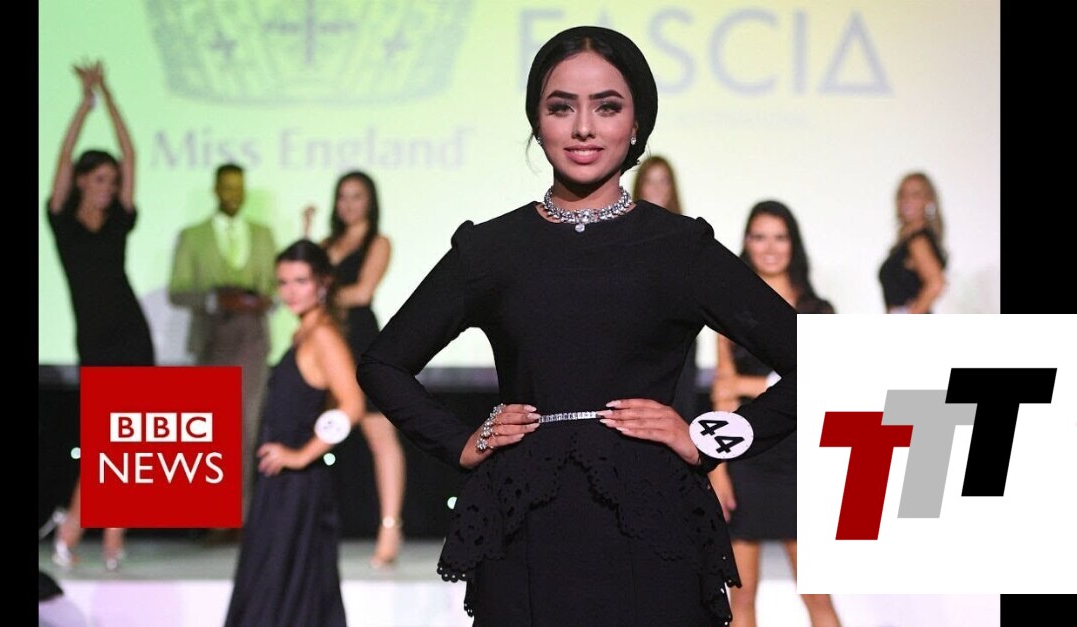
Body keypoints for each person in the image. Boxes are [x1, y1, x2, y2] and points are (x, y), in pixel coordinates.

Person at [356, 25, 797, 626]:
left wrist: (705, 440)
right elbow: (383, 363)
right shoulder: (491, 250)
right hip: (524, 527)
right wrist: (461, 441)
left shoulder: (679, 249)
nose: (583, 127)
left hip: (653, 527)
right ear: (537, 123)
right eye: (561, 107)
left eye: (607, 107)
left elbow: (818, 365)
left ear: (637, 122)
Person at [707, 200, 840, 627]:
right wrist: (718, 470)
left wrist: (750, 386)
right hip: (747, 459)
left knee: (817, 595)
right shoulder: (730, 311)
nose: (769, 247)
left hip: (803, 458)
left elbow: (827, 384)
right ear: (746, 243)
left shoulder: (819, 311)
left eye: (780, 237)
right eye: (760, 236)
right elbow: (722, 394)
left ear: (793, 244)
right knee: (742, 597)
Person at [46, 60, 155, 572]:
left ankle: (112, 538)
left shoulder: (119, 220)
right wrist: (82, 104)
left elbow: (131, 154)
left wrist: (108, 94)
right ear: (83, 180)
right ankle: (74, 525)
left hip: (132, 335)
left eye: (113, 180)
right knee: (101, 440)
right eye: (101, 178)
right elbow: (62, 157)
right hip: (95, 340)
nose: (109, 186)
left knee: (129, 437)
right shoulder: (62, 219)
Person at [224, 239, 366, 627]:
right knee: (278, 586)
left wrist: (302, 454)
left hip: (297, 486)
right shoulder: (305, 330)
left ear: (323, 283)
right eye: (283, 282)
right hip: (282, 482)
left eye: (300, 281)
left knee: (281, 587)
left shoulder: (323, 335)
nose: (290, 291)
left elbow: (352, 404)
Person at [302, 170, 406, 568]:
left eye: (357, 196)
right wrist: (306, 233)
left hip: (361, 342)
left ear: (370, 201)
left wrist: (320, 297)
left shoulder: (377, 242)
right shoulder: (327, 244)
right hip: (326, 344)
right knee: (318, 432)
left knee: (379, 435)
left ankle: (389, 528)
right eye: (343, 196)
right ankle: (304, 524)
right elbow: (303, 278)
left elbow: (362, 292)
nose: (349, 204)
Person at [168, 163, 278, 535]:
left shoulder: (262, 235)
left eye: (239, 187)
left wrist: (261, 299)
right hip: (213, 335)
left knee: (247, 426)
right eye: (227, 187)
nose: (234, 194)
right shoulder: (193, 236)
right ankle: (214, 517)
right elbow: (178, 290)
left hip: (252, 338)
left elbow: (276, 286)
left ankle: (240, 517)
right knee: (214, 427)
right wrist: (217, 299)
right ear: (215, 189)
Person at [632, 155, 698, 421]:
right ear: (639, 186)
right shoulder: (622, 236)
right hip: (636, 337)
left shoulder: (688, 236)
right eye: (650, 181)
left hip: (678, 337)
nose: (657, 189)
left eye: (664, 181)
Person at [878, 171, 948, 313]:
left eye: (915, 195)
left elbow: (936, 283)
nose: (907, 200)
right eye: (902, 194)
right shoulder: (909, 241)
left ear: (928, 201)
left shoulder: (918, 241)